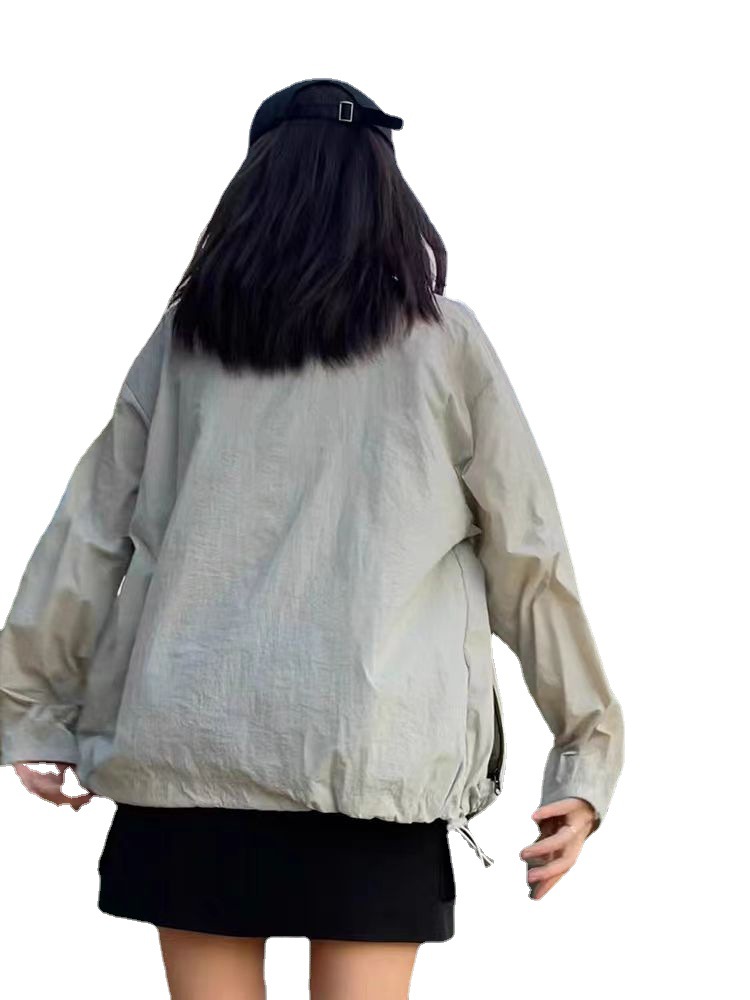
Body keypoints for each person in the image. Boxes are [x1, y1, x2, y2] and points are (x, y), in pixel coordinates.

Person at [0, 78, 624, 1000]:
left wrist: (30, 708)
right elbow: (529, 561)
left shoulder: (184, 344)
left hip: (188, 763)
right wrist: (585, 751)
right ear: (385, 192)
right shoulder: (444, 343)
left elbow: (88, 534)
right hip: (372, 767)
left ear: (253, 188)